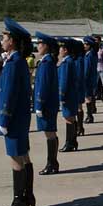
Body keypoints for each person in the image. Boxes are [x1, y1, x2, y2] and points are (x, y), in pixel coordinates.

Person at [0, 17, 35, 206]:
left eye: (4, 37)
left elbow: (9, 94)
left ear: (11, 40)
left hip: (13, 118)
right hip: (20, 117)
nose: (2, 41)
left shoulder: (13, 63)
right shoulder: (17, 61)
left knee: (16, 159)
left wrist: (3, 119)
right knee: (23, 156)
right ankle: (28, 196)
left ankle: (19, 200)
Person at [34, 32, 60, 175]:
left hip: (46, 104)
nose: (38, 47)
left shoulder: (46, 63)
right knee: (50, 133)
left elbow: (43, 86)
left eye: (40, 44)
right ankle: (53, 162)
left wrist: (39, 104)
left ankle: (51, 163)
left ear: (46, 46)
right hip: (49, 103)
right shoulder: (47, 61)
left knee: (49, 133)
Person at [58, 38, 79, 152]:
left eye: (61, 48)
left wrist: (61, 96)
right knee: (71, 118)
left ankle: (69, 143)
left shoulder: (67, 62)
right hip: (71, 94)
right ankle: (73, 141)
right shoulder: (70, 61)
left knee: (69, 119)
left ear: (65, 50)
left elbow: (64, 82)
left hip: (67, 95)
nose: (59, 51)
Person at [83, 36, 98, 124]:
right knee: (89, 97)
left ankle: (89, 116)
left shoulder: (89, 55)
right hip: (91, 78)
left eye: (86, 44)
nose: (84, 45)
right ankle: (90, 114)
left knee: (88, 97)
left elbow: (86, 69)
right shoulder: (91, 53)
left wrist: (83, 79)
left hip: (88, 79)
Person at [73, 40, 86, 136]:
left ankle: (79, 127)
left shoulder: (79, 59)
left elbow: (78, 74)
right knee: (77, 107)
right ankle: (79, 127)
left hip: (77, 86)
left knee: (78, 107)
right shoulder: (78, 58)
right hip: (78, 86)